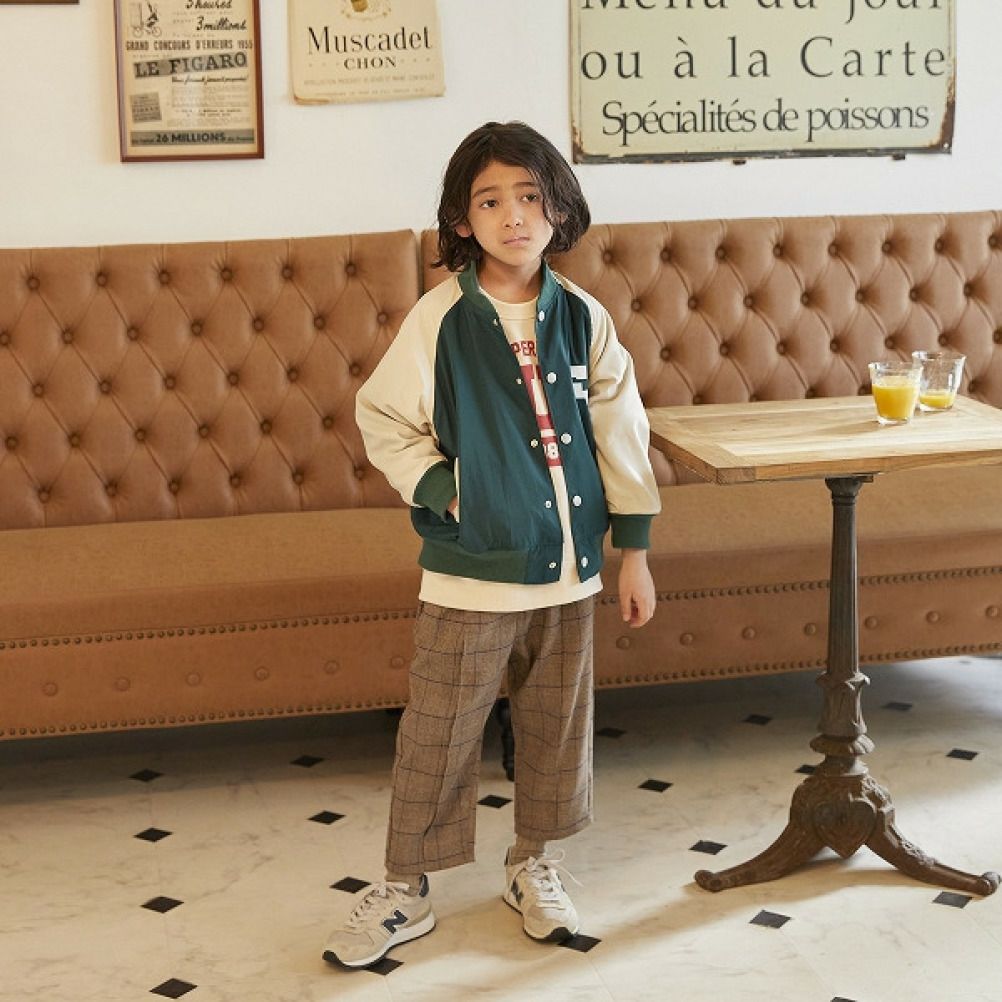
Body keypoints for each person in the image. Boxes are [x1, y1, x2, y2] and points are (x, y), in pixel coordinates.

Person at [322, 120, 661, 969]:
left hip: (570, 570)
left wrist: (634, 551)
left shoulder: (582, 317)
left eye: (530, 196)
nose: (514, 215)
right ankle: (405, 887)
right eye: (490, 201)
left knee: (555, 726)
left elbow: (622, 433)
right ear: (461, 220)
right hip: (470, 572)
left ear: (558, 209)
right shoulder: (440, 318)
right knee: (438, 732)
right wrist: (448, 491)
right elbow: (382, 416)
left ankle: (533, 864)